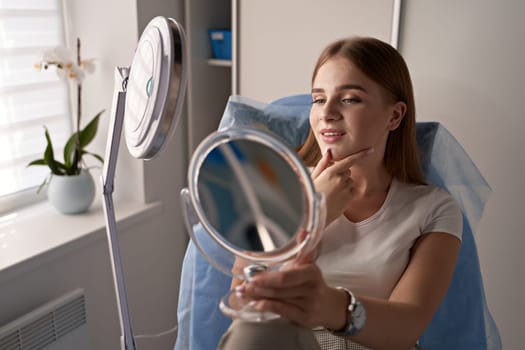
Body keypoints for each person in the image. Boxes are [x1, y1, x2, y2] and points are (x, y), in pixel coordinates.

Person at [221, 37, 462, 350]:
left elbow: (408, 325)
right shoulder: (277, 188)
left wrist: (331, 306)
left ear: (395, 116)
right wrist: (312, 213)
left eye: (349, 99)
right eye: (319, 99)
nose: (328, 113)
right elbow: (241, 307)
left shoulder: (434, 209)